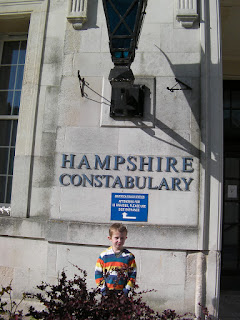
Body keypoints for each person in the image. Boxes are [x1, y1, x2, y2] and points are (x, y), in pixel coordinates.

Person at [95, 223, 137, 296]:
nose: (119, 240)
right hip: (107, 292)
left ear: (125, 238)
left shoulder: (129, 256)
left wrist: (127, 289)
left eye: (122, 238)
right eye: (116, 238)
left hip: (123, 293)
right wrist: (103, 288)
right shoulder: (104, 256)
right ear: (110, 238)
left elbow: (133, 275)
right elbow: (98, 273)